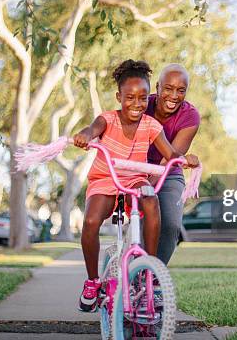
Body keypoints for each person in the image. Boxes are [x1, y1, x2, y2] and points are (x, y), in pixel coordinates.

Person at [72, 60, 199, 312]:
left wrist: (185, 160)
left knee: (152, 202)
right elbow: (94, 128)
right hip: (108, 175)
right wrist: (85, 135)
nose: (138, 104)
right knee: (90, 221)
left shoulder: (156, 124)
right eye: (130, 98)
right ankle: (92, 280)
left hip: (143, 174)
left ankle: (150, 269)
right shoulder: (111, 117)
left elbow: (171, 153)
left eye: (142, 98)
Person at [145, 63, 200, 265]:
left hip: (168, 173)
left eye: (181, 90)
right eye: (168, 88)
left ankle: (154, 278)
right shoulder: (142, 105)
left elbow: (170, 158)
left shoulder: (190, 116)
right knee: (142, 222)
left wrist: (148, 186)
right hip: (135, 168)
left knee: (169, 224)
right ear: (157, 87)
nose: (174, 96)